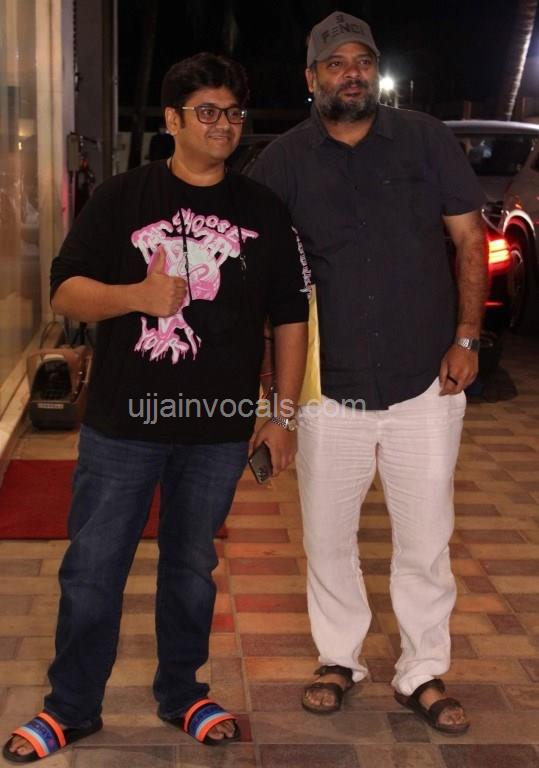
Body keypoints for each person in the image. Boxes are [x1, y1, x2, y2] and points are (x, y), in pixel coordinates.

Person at [3, 52, 308, 762]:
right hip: (124, 425)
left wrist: (284, 415)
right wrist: (136, 297)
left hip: (217, 432)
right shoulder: (122, 197)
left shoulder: (262, 209)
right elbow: (64, 290)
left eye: (233, 112)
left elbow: (291, 315)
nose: (223, 124)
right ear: (172, 120)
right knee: (93, 567)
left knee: (191, 568)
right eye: (207, 111)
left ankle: (183, 693)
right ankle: (70, 707)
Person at [250, 11, 487, 735]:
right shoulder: (281, 162)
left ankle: (422, 669)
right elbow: (262, 281)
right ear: (311, 78)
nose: (351, 74)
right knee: (326, 539)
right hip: (329, 389)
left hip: (426, 383)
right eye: (335, 63)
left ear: (374, 73)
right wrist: (275, 398)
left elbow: (469, 240)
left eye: (362, 62)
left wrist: (468, 337)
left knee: (425, 540)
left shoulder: (425, 139)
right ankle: (339, 660)